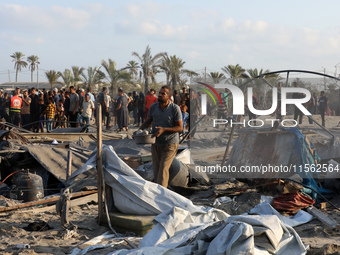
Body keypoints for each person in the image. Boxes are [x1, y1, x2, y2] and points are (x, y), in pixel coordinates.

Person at [139, 85, 183, 188]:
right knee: (156, 170)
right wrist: (139, 131)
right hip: (156, 143)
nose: (160, 95)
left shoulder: (174, 108)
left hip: (170, 144)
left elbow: (180, 128)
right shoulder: (154, 107)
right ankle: (158, 191)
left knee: (163, 170)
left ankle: (161, 196)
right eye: (159, 93)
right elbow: (148, 121)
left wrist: (164, 129)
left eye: (163, 93)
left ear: (169, 96)